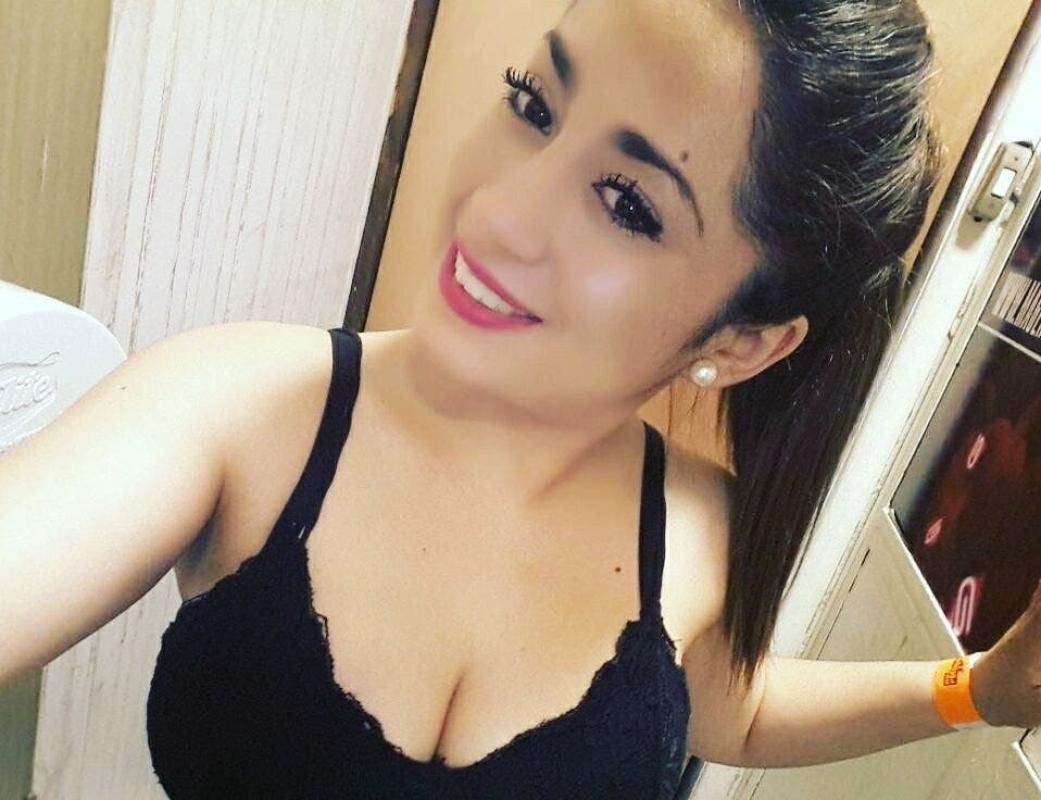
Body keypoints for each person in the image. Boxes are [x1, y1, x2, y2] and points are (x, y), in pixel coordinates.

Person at [2, 0, 1041, 797]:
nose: (497, 210)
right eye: (534, 105)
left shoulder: (699, 530)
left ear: (742, 340)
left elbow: (740, 708)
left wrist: (973, 690)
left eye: (627, 202)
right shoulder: (236, 407)